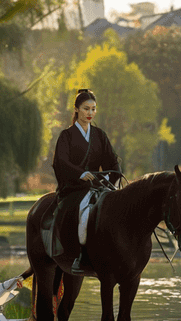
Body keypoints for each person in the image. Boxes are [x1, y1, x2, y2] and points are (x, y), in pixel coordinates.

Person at [52, 89, 122, 274]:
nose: (90, 113)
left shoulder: (100, 135)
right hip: (74, 187)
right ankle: (82, 254)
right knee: (85, 211)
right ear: (76, 109)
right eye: (86, 109)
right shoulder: (66, 136)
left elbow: (113, 162)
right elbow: (60, 162)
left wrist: (110, 178)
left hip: (98, 186)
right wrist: (80, 174)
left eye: (93, 109)